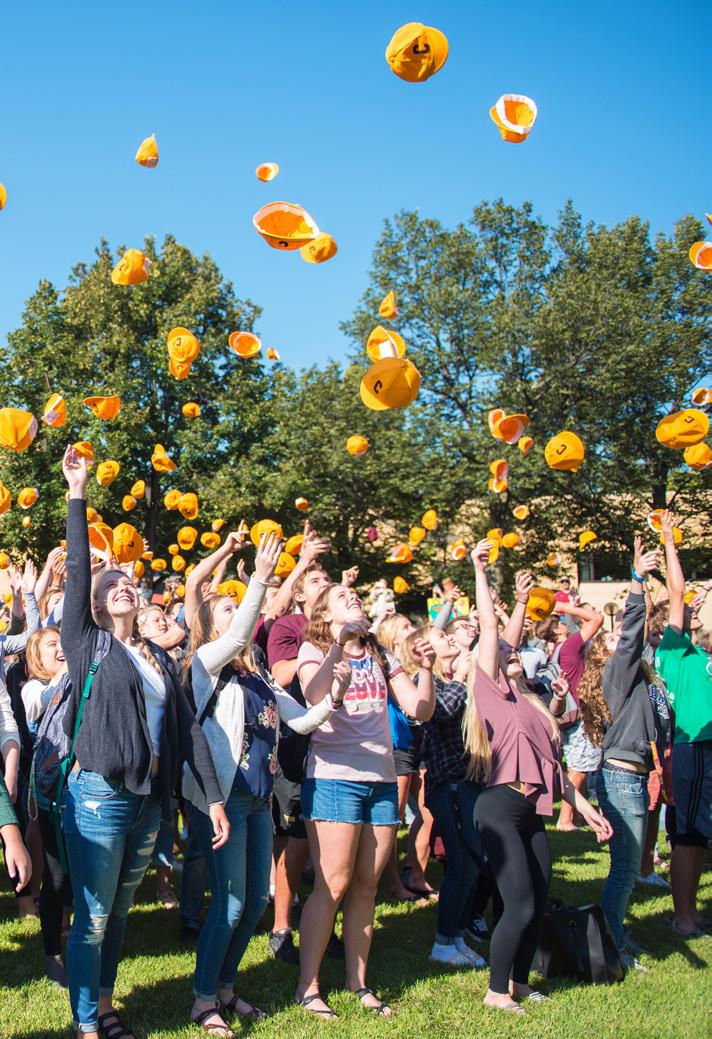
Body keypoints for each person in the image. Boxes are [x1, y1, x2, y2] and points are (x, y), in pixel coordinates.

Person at [59, 444, 229, 1039]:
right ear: (95, 604)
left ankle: (105, 1005)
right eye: (112, 585)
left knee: (119, 912)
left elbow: (188, 730)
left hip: (148, 802)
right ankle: (87, 1022)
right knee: (92, 917)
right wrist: (78, 493)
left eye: (129, 581)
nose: (123, 586)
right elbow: (77, 571)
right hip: (99, 797)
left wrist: (212, 797)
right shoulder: (87, 643)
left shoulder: (158, 656)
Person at [465, 539, 612, 1015]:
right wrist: (480, 571)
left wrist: (587, 810)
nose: (511, 653)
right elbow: (493, 629)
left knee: (540, 897)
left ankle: (519, 981)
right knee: (520, 904)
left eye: (514, 652)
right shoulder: (489, 693)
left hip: (532, 811)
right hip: (500, 807)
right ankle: (495, 991)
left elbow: (555, 772)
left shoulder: (532, 705)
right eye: (504, 653)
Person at [294, 583, 436, 1019]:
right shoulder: (314, 650)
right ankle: (308, 987)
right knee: (333, 884)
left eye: (354, 594)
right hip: (335, 779)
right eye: (342, 596)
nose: (352, 596)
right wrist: (338, 646)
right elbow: (314, 696)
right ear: (324, 613)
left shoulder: (380, 653)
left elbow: (419, 709)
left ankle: (358, 983)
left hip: (382, 780)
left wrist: (426, 669)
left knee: (366, 887)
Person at [578, 537, 666, 969]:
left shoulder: (638, 677)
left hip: (634, 775)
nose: (620, 638)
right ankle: (612, 943)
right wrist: (635, 579)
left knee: (629, 868)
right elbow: (632, 631)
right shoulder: (617, 673)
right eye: (610, 639)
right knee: (626, 869)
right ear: (606, 655)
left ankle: (617, 931)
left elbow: (641, 629)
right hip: (621, 779)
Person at [265, 556, 330, 963]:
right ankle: (282, 927)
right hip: (297, 744)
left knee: (332, 845)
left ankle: (325, 926)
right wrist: (322, 653)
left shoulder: (345, 630)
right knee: (296, 840)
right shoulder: (289, 626)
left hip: (341, 747)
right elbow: (281, 674)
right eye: (316, 580)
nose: (326, 584)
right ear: (301, 595)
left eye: (328, 578)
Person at [653, 512, 712, 939]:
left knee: (698, 834)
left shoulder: (697, 653)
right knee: (688, 834)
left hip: (706, 745)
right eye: (685, 606)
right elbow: (676, 591)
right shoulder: (671, 649)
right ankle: (682, 916)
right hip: (689, 747)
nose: (692, 603)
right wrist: (670, 543)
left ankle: (691, 911)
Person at [417, 620, 487, 968]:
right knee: (459, 863)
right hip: (448, 785)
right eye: (441, 636)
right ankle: (442, 943)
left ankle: (457, 937)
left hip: (468, 782)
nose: (449, 638)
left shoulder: (456, 679)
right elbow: (441, 712)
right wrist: (460, 676)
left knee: (472, 863)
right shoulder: (426, 681)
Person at [22, 626, 74, 987]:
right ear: (36, 657)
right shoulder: (33, 688)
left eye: (63, 643)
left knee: (76, 871)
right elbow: (44, 701)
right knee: (56, 874)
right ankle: (52, 952)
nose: (61, 649)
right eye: (52, 645)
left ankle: (72, 933)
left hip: (82, 790)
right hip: (51, 793)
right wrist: (67, 670)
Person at [539, 600, 604, 830]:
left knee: (580, 765)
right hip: (580, 716)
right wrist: (565, 607)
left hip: (572, 714)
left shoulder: (560, 649)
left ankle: (574, 816)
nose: (565, 623)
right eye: (561, 621)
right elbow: (597, 618)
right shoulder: (569, 646)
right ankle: (564, 819)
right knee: (578, 769)